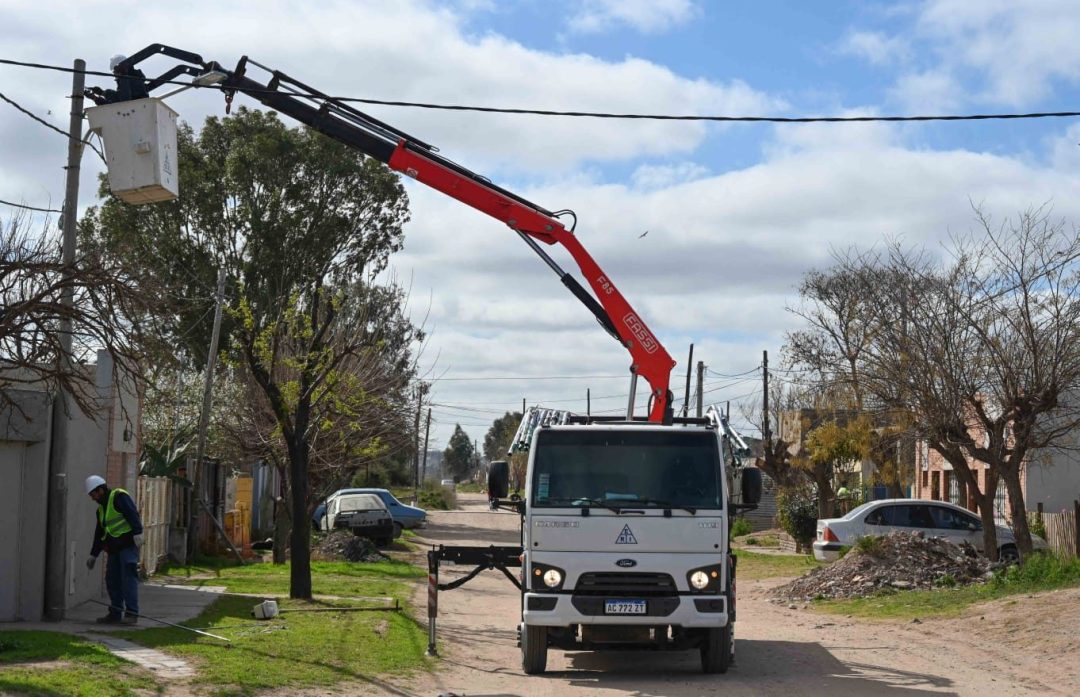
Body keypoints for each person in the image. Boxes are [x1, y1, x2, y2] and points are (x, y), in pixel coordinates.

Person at [85, 475, 143, 624]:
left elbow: (132, 514)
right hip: (114, 550)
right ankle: (115, 613)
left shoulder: (119, 496)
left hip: (128, 546)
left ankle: (131, 614)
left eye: (93, 494)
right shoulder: (100, 510)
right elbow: (99, 533)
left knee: (128, 578)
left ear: (101, 490)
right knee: (112, 580)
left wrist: (138, 532)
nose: (93, 498)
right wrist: (93, 555)